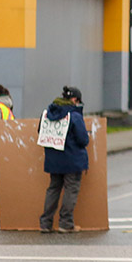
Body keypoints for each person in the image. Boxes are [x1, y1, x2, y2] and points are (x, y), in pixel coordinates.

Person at [40, 85, 90, 234]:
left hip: (54, 160)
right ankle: (66, 223)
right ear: (74, 99)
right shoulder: (74, 116)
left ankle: (45, 224)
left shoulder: (48, 113)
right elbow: (83, 139)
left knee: (53, 189)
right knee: (70, 190)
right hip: (72, 160)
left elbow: (40, 132)